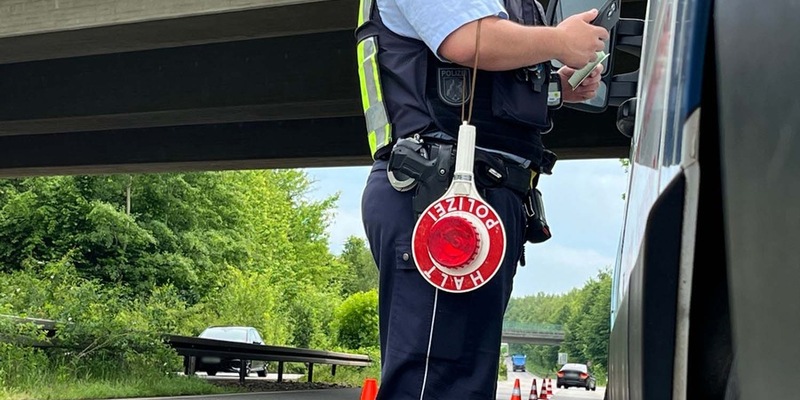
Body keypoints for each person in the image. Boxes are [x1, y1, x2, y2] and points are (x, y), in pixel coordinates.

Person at [356, 1, 609, 398]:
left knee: (458, 381)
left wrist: (556, 85)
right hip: (441, 191)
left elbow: (480, 80)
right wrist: (561, 41)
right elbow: (466, 40)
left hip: (466, 190)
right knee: (438, 382)